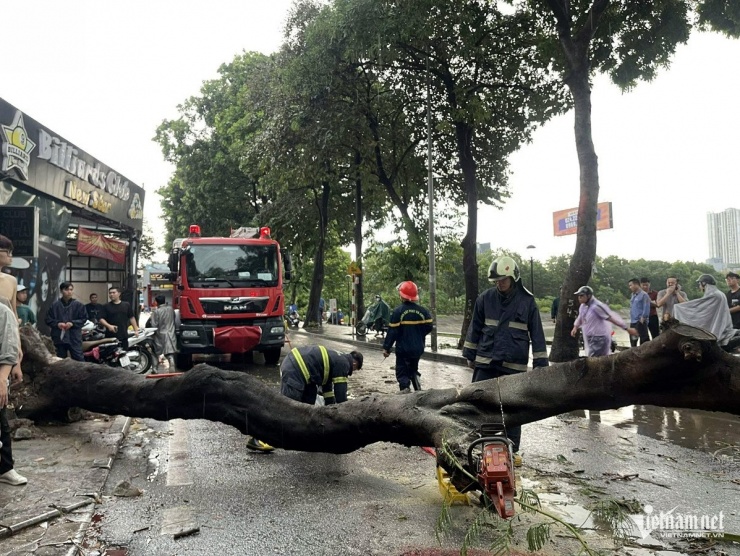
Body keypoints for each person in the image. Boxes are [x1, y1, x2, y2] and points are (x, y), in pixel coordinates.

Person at [462, 256, 548, 467]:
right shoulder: (485, 298)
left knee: (513, 408)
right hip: (486, 360)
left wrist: (540, 366)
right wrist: (470, 355)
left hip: (513, 364)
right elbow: (475, 328)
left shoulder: (527, 301)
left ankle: (511, 448)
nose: (499, 284)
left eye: (503, 280)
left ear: (513, 277)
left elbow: (537, 334)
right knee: (480, 404)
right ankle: (481, 445)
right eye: (497, 281)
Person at [247, 346, 364, 452]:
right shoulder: (344, 363)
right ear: (354, 364)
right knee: (285, 409)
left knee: (306, 410)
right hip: (296, 370)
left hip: (304, 374)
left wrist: (330, 413)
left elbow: (328, 392)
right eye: (354, 370)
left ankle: (302, 438)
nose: (350, 373)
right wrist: (347, 419)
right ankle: (258, 438)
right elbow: (341, 397)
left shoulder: (337, 358)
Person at [382, 282, 434, 392]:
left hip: (403, 350)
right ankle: (418, 390)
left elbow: (392, 332)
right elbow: (429, 326)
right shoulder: (423, 311)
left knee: (402, 373)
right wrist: (418, 334)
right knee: (413, 369)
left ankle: (405, 394)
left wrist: (387, 348)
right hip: (418, 348)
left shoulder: (398, 312)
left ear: (401, 295)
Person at [0, 297, 26, 486]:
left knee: (1, 423)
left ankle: (6, 468)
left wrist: (2, 379)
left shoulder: (3, 311)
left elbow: (9, 349)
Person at [674, 274, 740, 349]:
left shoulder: (714, 295)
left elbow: (698, 307)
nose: (699, 286)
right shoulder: (719, 294)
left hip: (722, 329)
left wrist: (679, 307)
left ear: (704, 283)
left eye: (700, 284)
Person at [570, 286, 636, 356]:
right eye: (578, 296)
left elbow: (611, 318)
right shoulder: (583, 306)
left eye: (581, 296)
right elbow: (580, 317)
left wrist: (626, 328)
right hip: (589, 337)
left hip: (599, 338)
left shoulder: (596, 306)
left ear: (588, 296)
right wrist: (575, 327)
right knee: (595, 359)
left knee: (595, 359)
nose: (579, 298)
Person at [45, 282, 87, 361]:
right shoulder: (54, 306)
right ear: (61, 291)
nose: (69, 292)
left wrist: (73, 323)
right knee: (60, 361)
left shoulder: (79, 305)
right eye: (66, 289)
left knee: (79, 360)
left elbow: (84, 319)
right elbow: (48, 319)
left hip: (74, 337)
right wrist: (57, 324)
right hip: (59, 338)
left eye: (71, 289)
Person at [151, 295, 177, 372]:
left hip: (160, 334)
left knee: (155, 351)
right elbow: (174, 319)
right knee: (169, 352)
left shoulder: (156, 311)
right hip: (171, 333)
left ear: (156, 302)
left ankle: (155, 368)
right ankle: (172, 364)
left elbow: (153, 325)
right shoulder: (171, 309)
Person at [628, 278, 651, 347]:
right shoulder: (633, 295)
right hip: (633, 321)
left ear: (636, 285)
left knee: (644, 340)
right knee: (633, 339)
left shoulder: (644, 295)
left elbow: (646, 307)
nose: (630, 287)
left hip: (640, 320)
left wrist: (643, 318)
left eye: (631, 285)